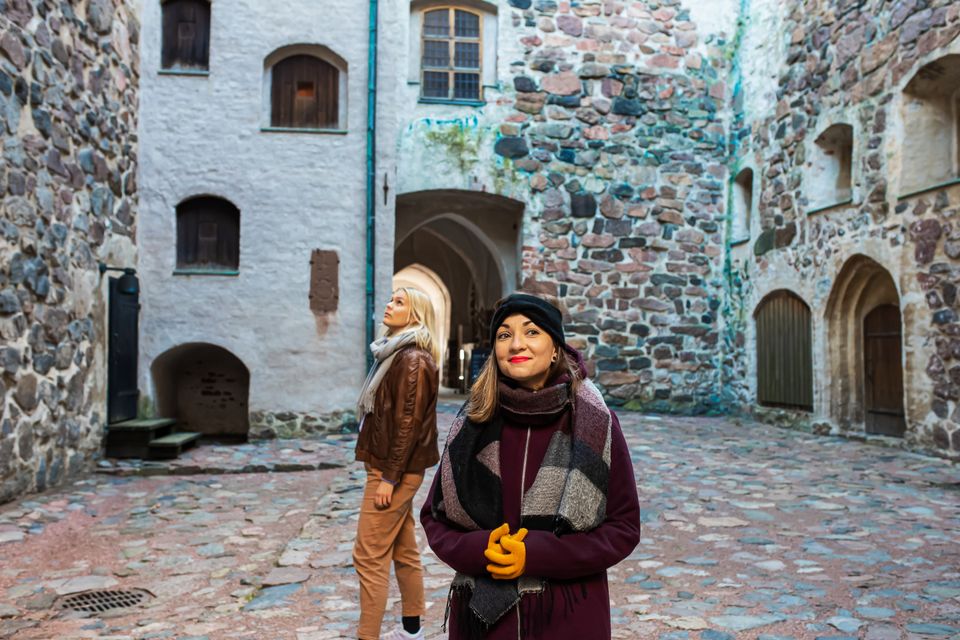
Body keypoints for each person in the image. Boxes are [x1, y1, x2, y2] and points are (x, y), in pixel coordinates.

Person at [420, 292, 641, 639]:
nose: (516, 344)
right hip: (484, 624)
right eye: (504, 335)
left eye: (532, 331)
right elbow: (436, 518)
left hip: (567, 618)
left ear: (556, 348)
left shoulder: (596, 425)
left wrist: (535, 555)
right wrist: (480, 549)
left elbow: (623, 527)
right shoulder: (472, 424)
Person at [354, 287, 441, 640]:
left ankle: (367, 636)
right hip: (390, 467)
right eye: (391, 299)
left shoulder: (412, 360)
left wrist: (389, 478)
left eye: (399, 302)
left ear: (416, 315)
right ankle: (412, 630)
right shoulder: (395, 353)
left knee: (368, 555)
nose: (389, 305)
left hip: (393, 471)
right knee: (402, 549)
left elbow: (408, 422)